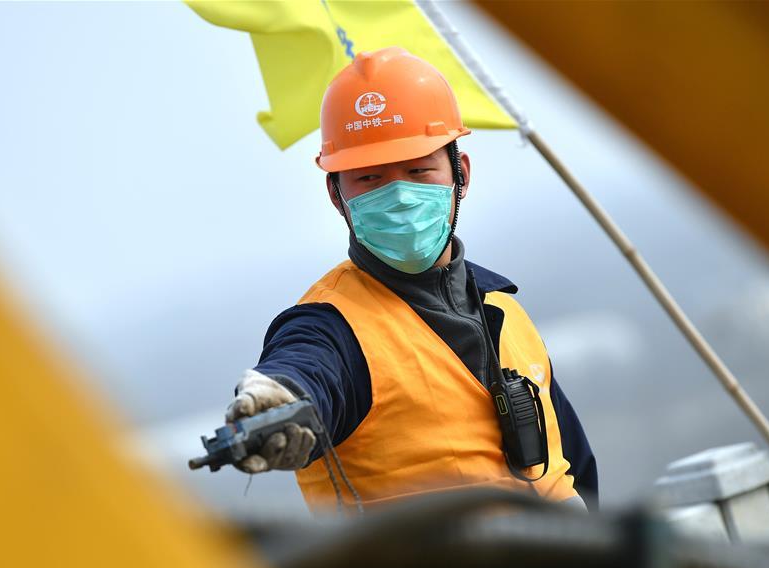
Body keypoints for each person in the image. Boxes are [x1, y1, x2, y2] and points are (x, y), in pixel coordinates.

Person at [227, 47, 597, 512]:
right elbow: (306, 367)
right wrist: (276, 401)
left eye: (419, 170)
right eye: (369, 177)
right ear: (337, 194)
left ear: (459, 175)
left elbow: (575, 468)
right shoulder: (332, 327)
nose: (399, 195)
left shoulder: (504, 309)